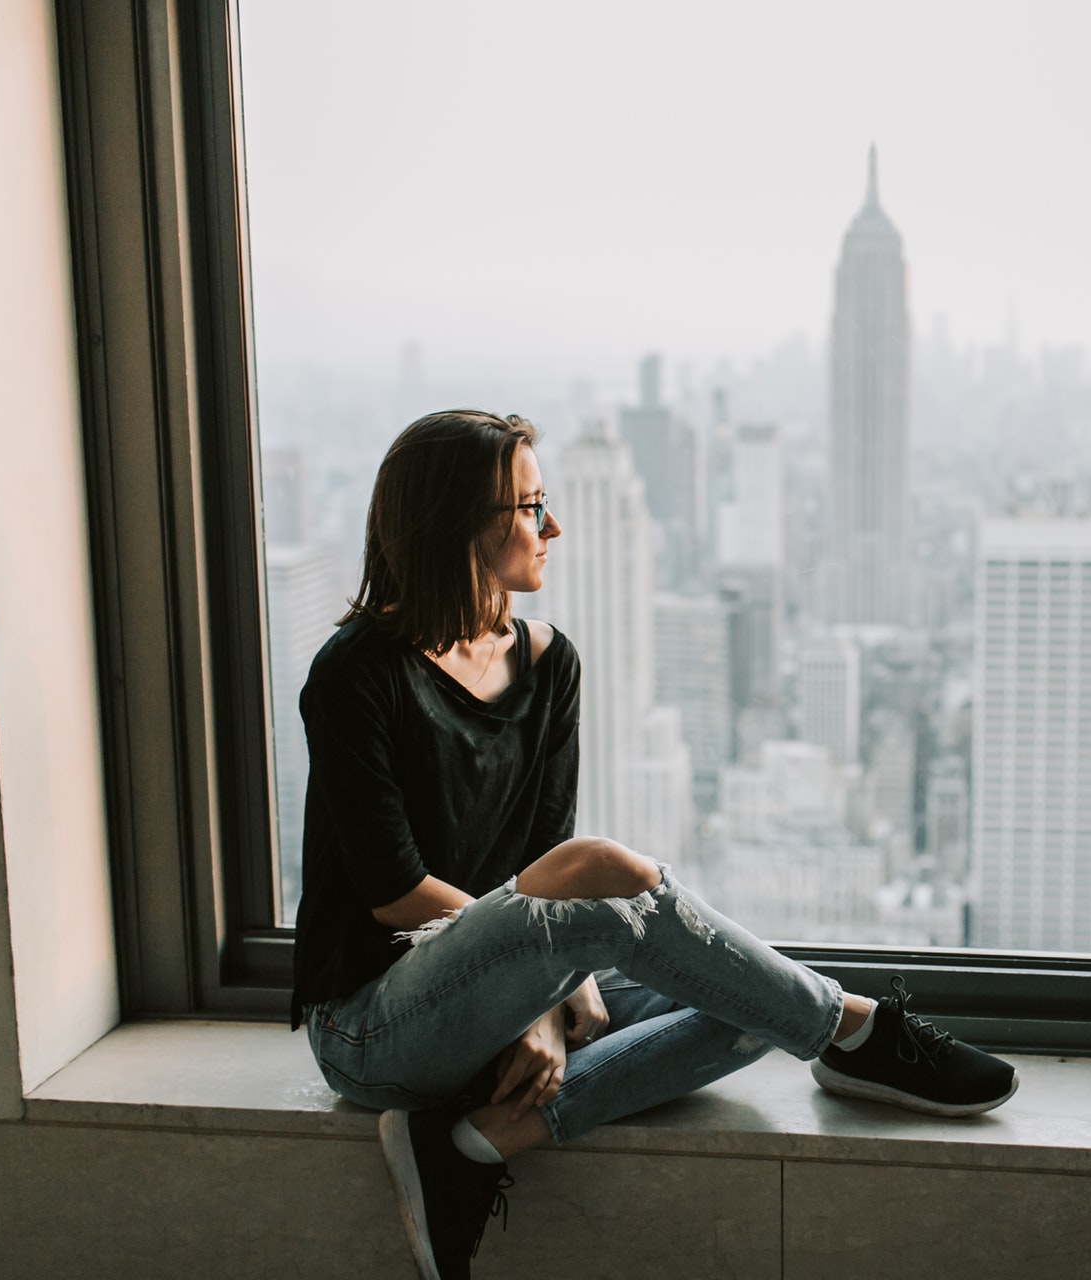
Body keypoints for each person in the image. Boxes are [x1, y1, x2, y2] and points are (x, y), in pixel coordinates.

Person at [292, 410, 1018, 1280]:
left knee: (745, 999)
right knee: (611, 874)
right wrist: (543, 998)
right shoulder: (355, 674)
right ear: (458, 527)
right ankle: (856, 1028)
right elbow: (400, 892)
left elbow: (536, 857)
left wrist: (550, 987)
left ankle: (479, 1142)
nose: (551, 526)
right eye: (528, 507)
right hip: (377, 1025)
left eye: (544, 501)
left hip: (500, 979)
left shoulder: (549, 661)